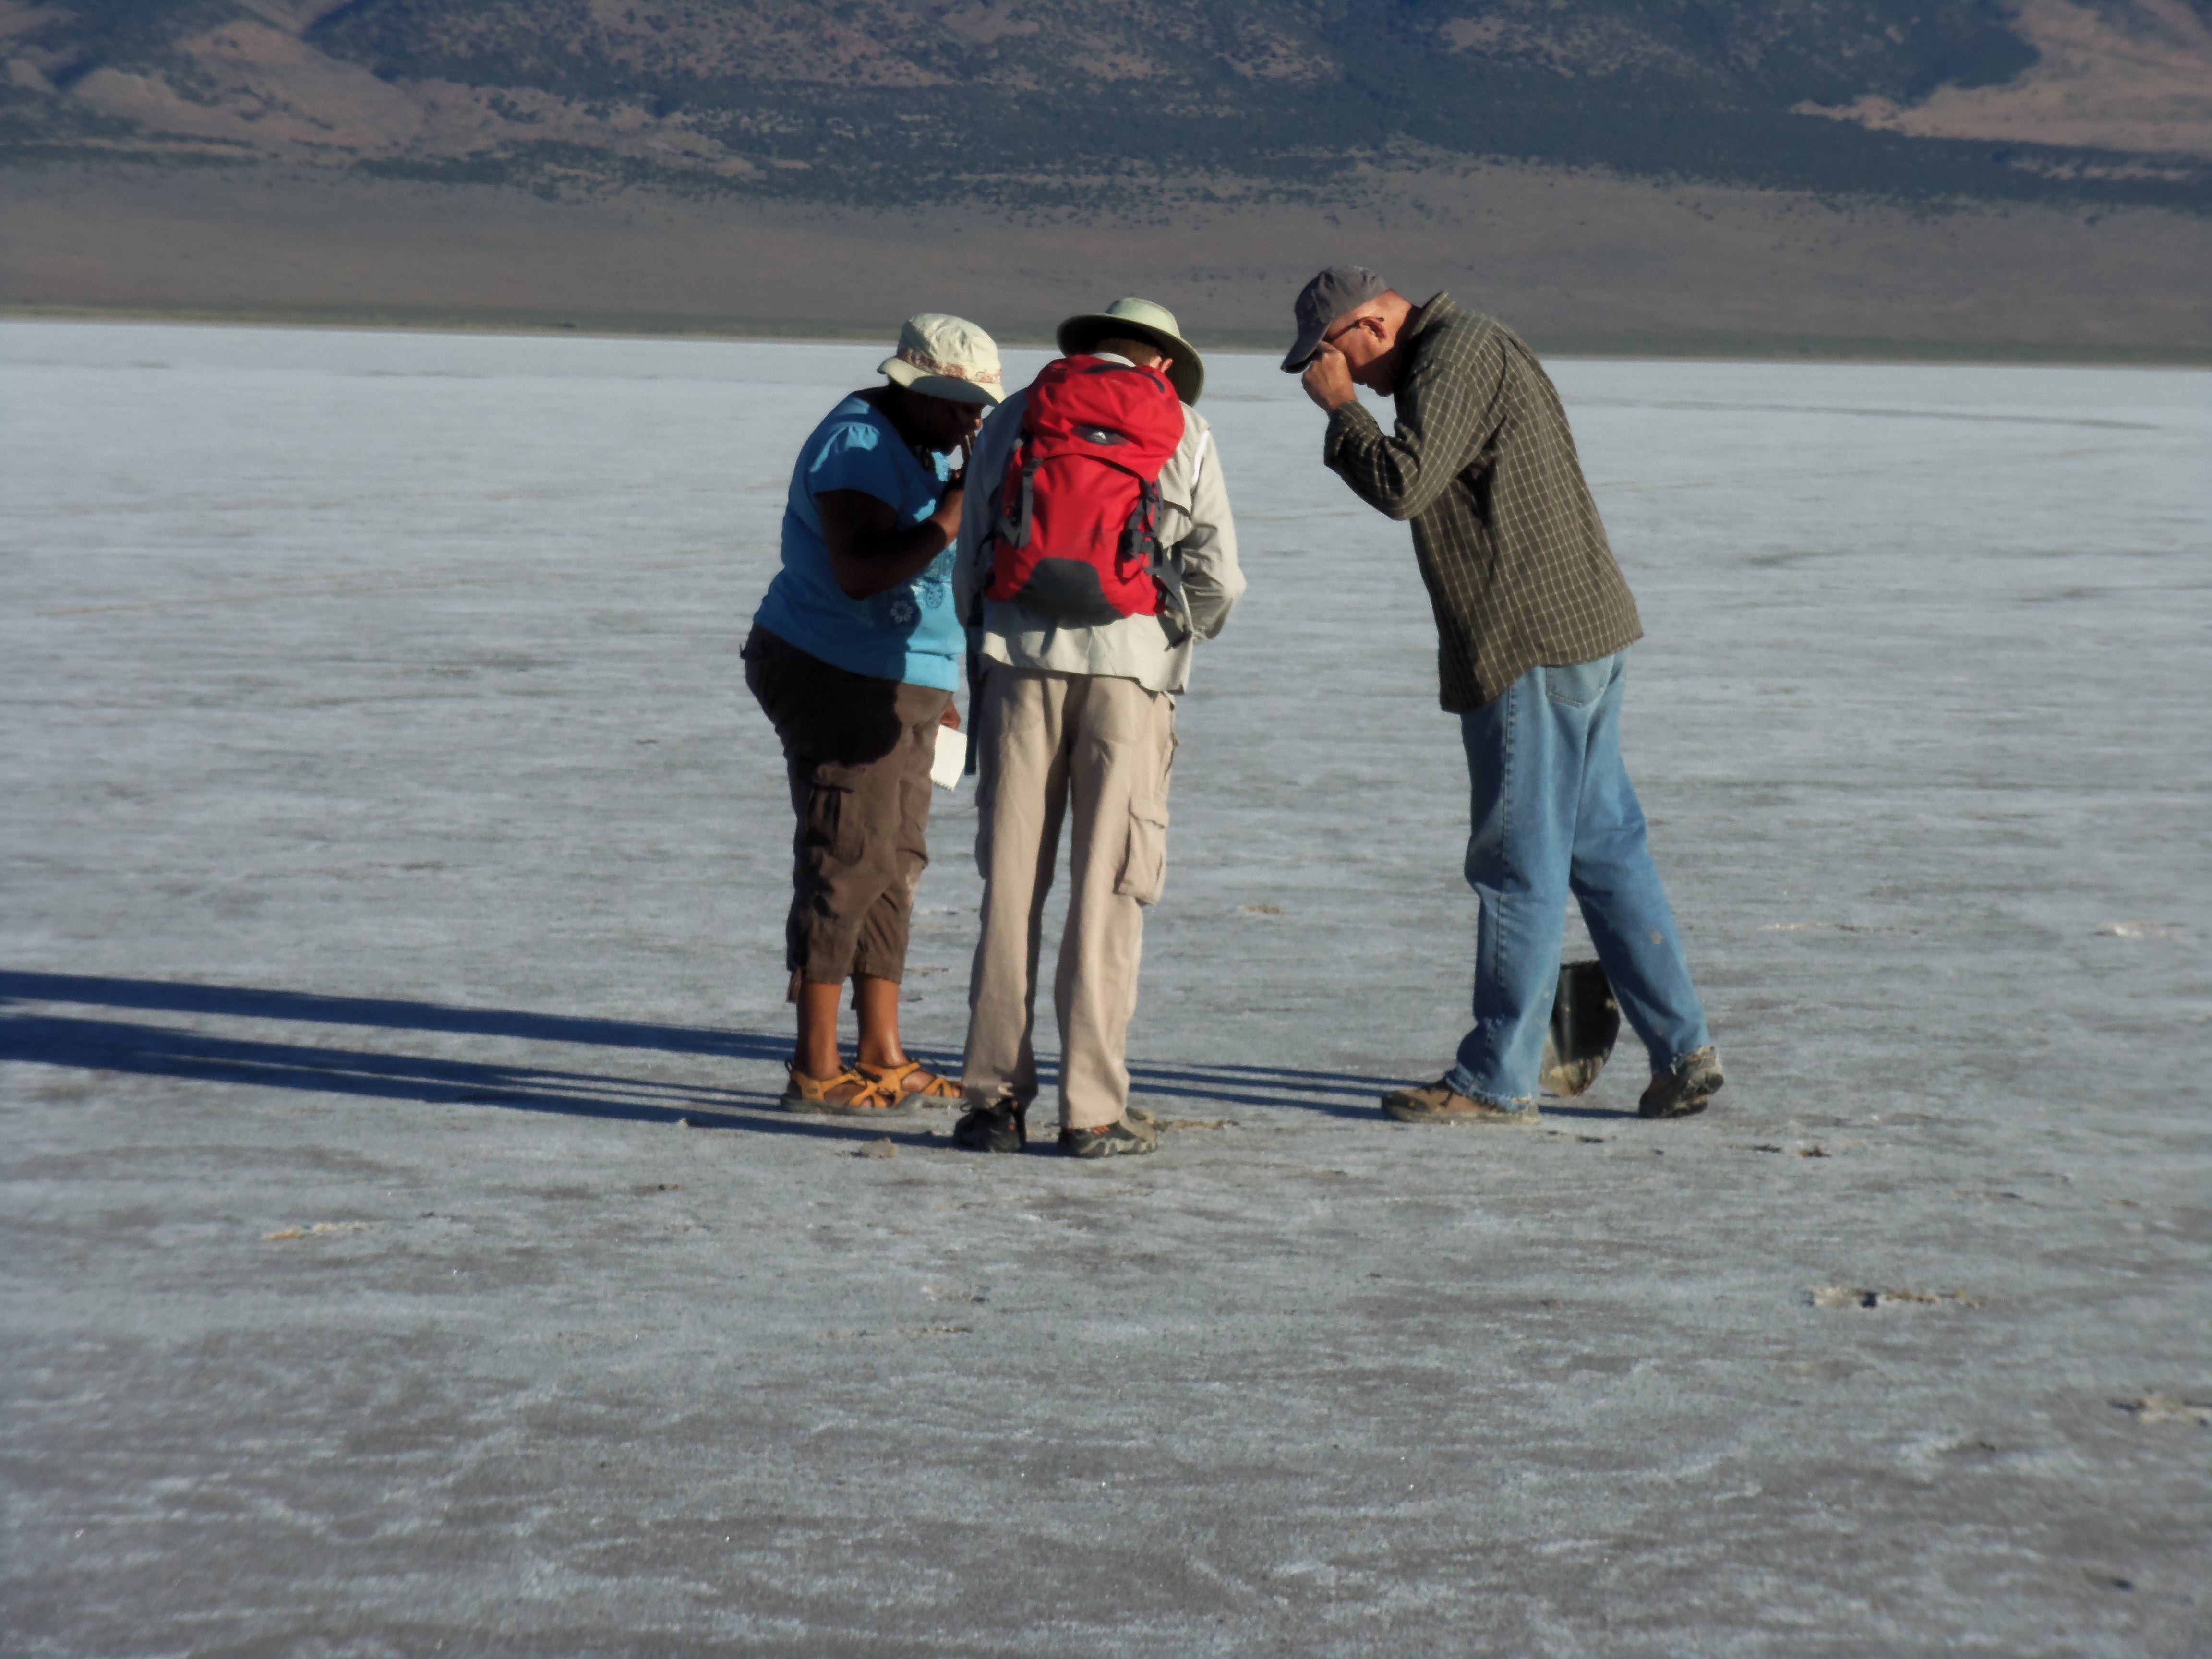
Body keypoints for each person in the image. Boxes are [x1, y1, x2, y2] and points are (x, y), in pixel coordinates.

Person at [1283, 266, 1725, 1124]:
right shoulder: (1468, 348)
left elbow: (1405, 483)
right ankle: (1684, 1050)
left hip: (1529, 641)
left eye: (1337, 357)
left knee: (1517, 864)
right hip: (1580, 631)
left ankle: (1496, 1077)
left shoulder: (1451, 358)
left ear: (1369, 325)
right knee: (1605, 850)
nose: (1346, 375)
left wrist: (1343, 413)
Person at [951, 298, 1245, 1157]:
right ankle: (1090, 1112)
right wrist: (1163, 627)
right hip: (1131, 678)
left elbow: (972, 551)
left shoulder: (1015, 417)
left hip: (1019, 668)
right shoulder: (1184, 427)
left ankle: (991, 1104)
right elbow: (1221, 578)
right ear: (1163, 362)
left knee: (1011, 887)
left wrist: (992, 643)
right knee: (1108, 894)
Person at [744, 313, 1002, 1113]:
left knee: (898, 861)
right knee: (846, 854)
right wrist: (949, 519)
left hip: (903, 680)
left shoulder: (924, 443)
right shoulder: (856, 443)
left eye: (980, 408)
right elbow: (859, 573)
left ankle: (882, 1053)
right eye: (961, 405)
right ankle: (815, 1067)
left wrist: (941, 681)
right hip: (835, 669)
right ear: (916, 389)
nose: (974, 422)